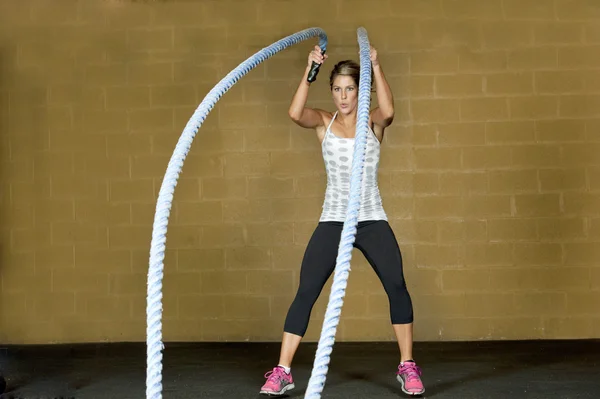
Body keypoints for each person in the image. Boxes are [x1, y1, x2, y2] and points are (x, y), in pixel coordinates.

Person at [259, 44, 425, 397]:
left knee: (396, 284)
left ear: (360, 90)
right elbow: (293, 112)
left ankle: (407, 365)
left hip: (370, 218)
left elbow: (390, 109)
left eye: (350, 88)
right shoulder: (323, 121)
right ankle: (282, 370)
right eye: (337, 89)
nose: (343, 96)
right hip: (333, 219)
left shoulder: (372, 122)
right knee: (306, 291)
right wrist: (309, 70)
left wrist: (376, 66)